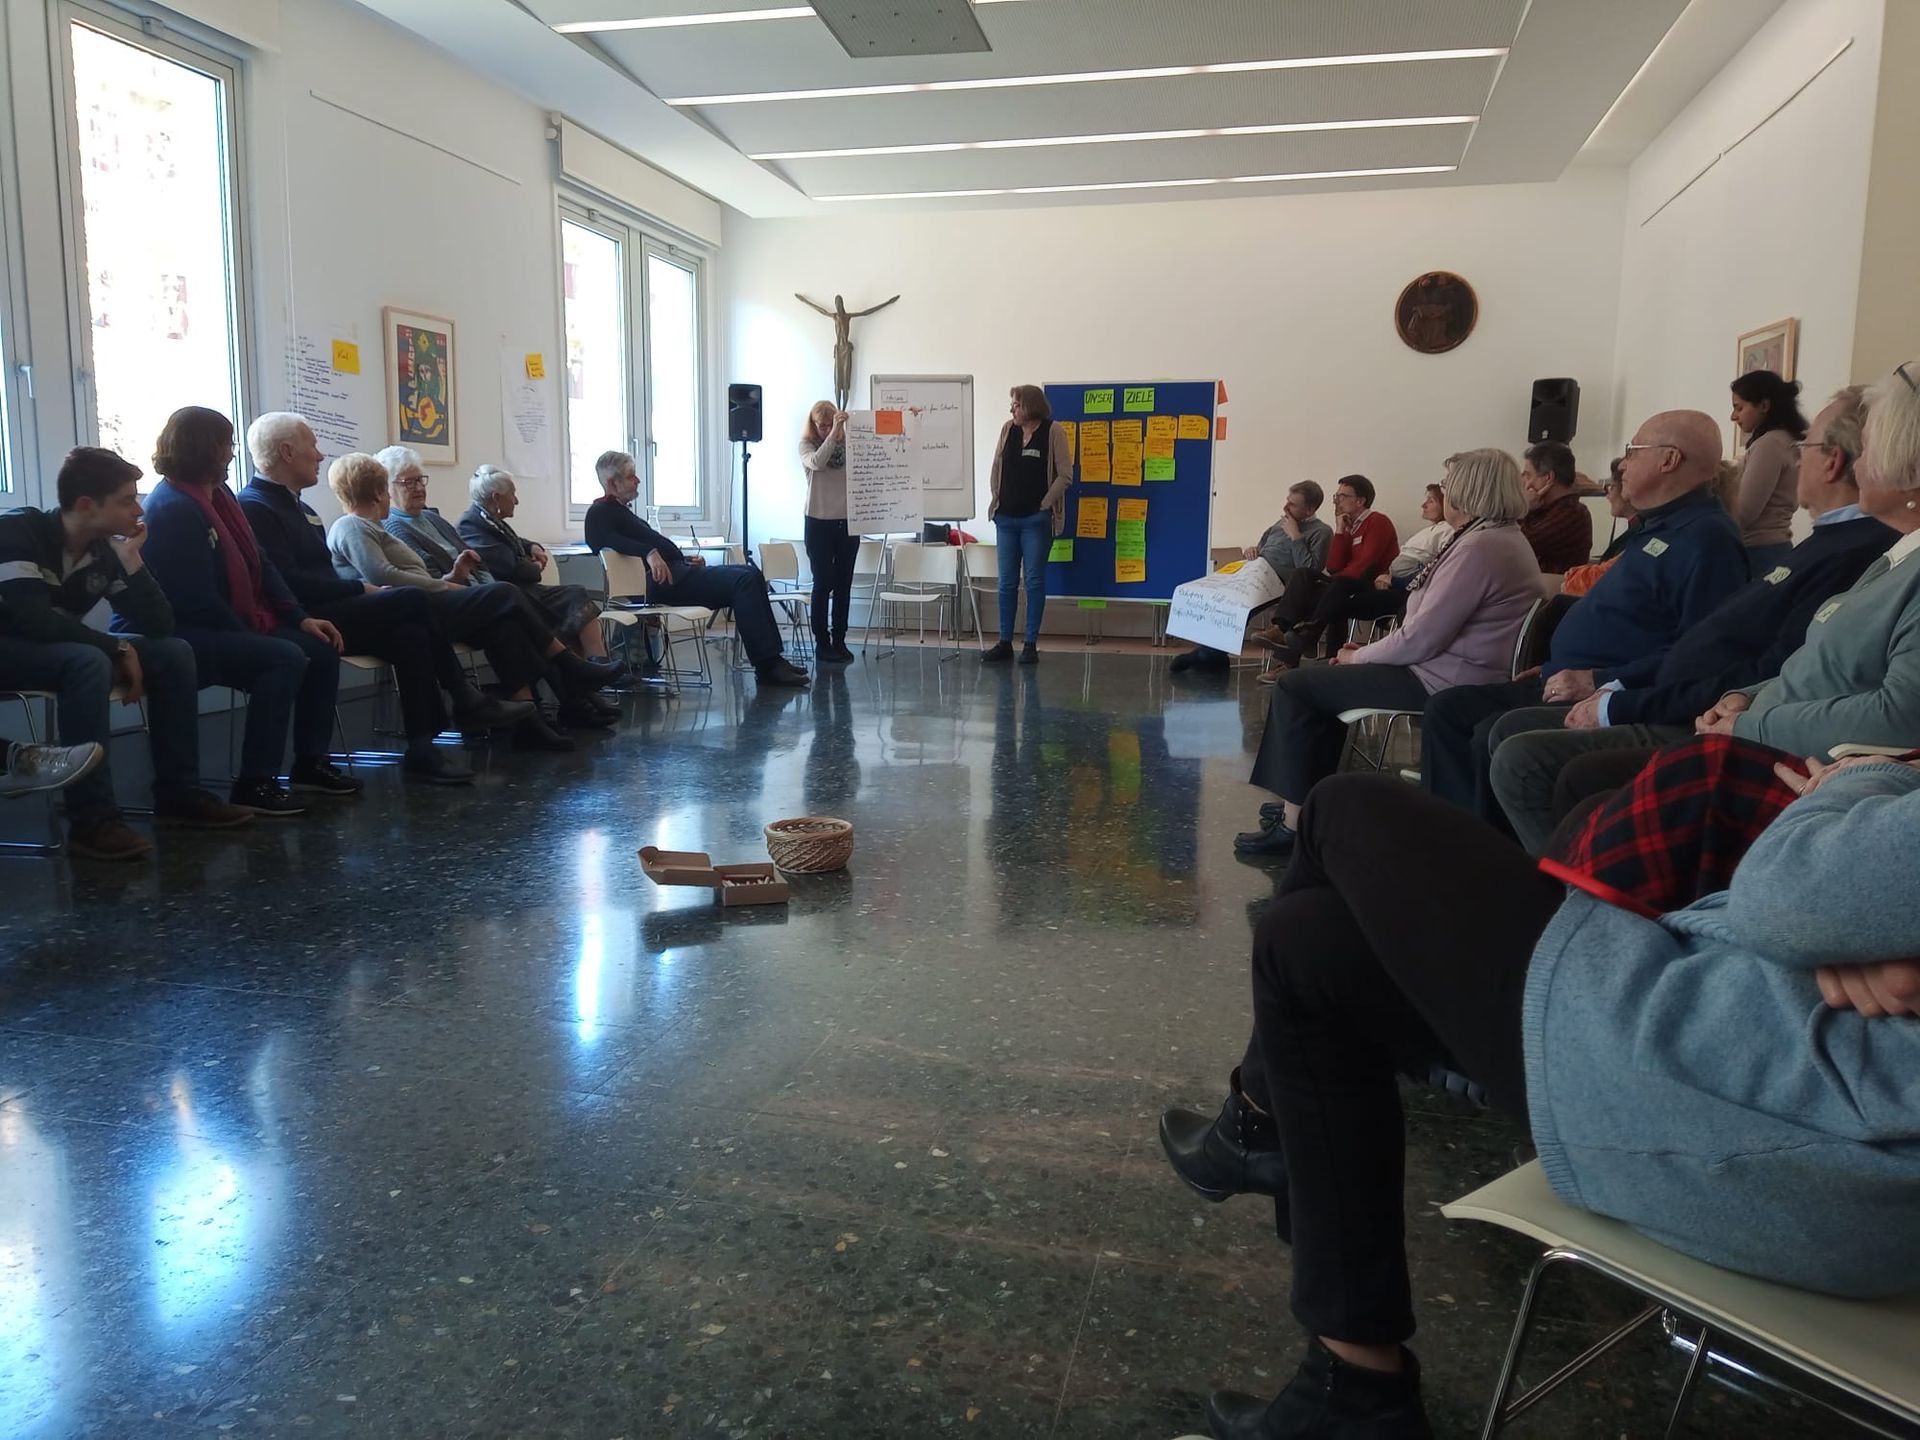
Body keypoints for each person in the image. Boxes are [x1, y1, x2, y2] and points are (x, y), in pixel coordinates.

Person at [1159, 760, 1920, 1440]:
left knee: (1342, 806)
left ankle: (1257, 1127)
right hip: (1793, 1108)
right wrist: (1847, 915)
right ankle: (1353, 1382)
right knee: (1306, 941)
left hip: (1737, 1108)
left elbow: (1788, 891)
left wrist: (1861, 779)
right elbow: (1818, 897)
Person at [1487, 385, 1897, 852]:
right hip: (1673, 695)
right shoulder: (1823, 543)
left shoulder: (1842, 550)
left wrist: (1616, 699)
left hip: (1701, 716)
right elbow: (1714, 647)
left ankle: (1545, 885)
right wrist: (1612, 684)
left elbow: (1776, 670)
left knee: (1525, 757)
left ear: (1834, 462)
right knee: (1504, 732)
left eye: (1803, 448)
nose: (1796, 459)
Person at [1420, 409, 1749, 827]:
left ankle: (1490, 848)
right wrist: (1558, 665)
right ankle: (1452, 833)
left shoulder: (1707, 540)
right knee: (1449, 709)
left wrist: (1599, 678)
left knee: (1492, 729)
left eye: (1632, 450)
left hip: (1612, 691)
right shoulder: (1658, 526)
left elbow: (1698, 654)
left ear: (1669, 459)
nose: (1623, 464)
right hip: (1566, 678)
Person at [1235, 450, 1540, 857]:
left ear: (1468, 491)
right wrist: (1370, 650)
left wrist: (1359, 657)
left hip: (1440, 680)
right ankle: (1306, 802)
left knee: (1296, 686)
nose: (1443, 492)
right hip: (1447, 669)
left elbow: (1420, 639)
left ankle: (1294, 825)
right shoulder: (1496, 538)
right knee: (1320, 683)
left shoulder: (1480, 548)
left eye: (1447, 485)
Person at [238, 413, 524, 785]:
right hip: (303, 615)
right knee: (413, 599)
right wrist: (360, 589)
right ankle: (463, 697)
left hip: (331, 606)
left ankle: (422, 747)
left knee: (411, 635)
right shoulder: (256, 506)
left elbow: (322, 575)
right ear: (287, 452)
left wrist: (358, 590)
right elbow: (289, 583)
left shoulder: (302, 508)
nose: (320, 455)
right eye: (313, 445)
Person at [0, 447, 251, 858]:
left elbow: (159, 625)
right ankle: (93, 821)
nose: (139, 509)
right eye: (127, 500)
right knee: (88, 659)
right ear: (87, 505)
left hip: (55, 650)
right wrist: (115, 646)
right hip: (8, 649)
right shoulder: (17, 531)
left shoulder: (104, 551)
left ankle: (179, 795)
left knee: (173, 652)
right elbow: (30, 620)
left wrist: (132, 562)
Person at [140, 406, 360, 817]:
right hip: (185, 629)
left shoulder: (220, 496)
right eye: (226, 444)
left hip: (228, 620)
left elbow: (261, 562)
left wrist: (299, 617)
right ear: (205, 448)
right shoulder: (173, 507)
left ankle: (310, 763)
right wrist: (252, 633)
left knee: (319, 646)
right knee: (283, 657)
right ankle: (255, 782)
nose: (232, 453)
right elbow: (193, 598)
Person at [1698, 361, 1920, 757]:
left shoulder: (1880, 557)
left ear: (1908, 465)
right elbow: (1820, 671)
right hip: (1755, 735)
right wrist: (1749, 696)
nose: (1856, 465)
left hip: (1785, 759)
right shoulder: (1895, 556)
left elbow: (1902, 717)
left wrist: (1750, 725)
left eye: (1867, 449)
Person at [324, 454, 598, 749]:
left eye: (420, 480)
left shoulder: (377, 526)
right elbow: (384, 574)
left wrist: (452, 578)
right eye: (407, 483)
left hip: (428, 601)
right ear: (382, 491)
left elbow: (418, 574)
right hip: (414, 608)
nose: (418, 488)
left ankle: (530, 721)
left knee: (505, 624)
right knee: (505, 594)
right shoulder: (354, 526)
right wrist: (446, 585)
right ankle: (567, 667)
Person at [584, 449, 810, 688]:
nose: (638, 480)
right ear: (612, 483)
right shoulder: (599, 511)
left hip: (676, 573)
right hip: (663, 581)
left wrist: (683, 559)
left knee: (750, 572)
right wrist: (649, 552)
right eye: (631, 476)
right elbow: (600, 540)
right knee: (743, 580)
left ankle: (772, 661)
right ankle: (768, 665)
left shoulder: (621, 512)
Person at [1169, 481, 1333, 674]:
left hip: (1279, 583)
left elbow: (1309, 569)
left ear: (1310, 509)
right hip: (1253, 570)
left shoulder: (1321, 531)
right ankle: (1212, 655)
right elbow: (1263, 548)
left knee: (1237, 604)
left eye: (1293, 504)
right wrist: (1252, 550)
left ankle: (1207, 656)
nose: (1285, 507)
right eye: (1287, 501)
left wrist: (1296, 537)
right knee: (1209, 593)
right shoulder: (1280, 524)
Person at [457, 464, 614, 661]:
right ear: (496, 498)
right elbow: (514, 568)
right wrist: (537, 566)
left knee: (576, 593)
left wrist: (533, 547)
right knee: (571, 603)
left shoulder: (490, 520)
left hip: (526, 591)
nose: (516, 500)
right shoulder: (470, 526)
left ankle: (597, 661)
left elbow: (516, 541)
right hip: (513, 598)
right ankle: (589, 666)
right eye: (512, 494)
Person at [1254, 475, 1399, 675]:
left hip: (1370, 584)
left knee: (1328, 589)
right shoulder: (1350, 526)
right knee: (1305, 578)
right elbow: (1333, 566)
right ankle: (1285, 630)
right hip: (1345, 585)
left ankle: (1299, 647)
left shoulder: (1378, 521)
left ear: (1360, 501)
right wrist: (1340, 531)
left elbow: (1366, 565)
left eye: (1342, 496)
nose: (1336, 501)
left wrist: (1334, 581)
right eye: (1336, 496)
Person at [982, 384, 1073, 665]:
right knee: (1006, 583)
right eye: (1012, 405)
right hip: (1005, 519)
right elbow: (997, 466)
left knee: (1033, 580)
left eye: (1017, 405)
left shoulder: (1053, 431)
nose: (1012, 409)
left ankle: (1030, 644)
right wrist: (996, 497)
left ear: (1030, 406)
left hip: (1035, 520)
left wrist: (1045, 504)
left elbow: (1065, 475)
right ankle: (1005, 642)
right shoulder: (1007, 430)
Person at [1729, 369, 1808, 572]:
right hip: (1771, 548)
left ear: (1764, 406)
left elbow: (1744, 512)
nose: (1733, 416)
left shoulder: (1770, 444)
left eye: (1739, 408)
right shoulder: (1784, 440)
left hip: (1760, 552)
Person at [799, 400, 859, 664]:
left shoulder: (850, 445)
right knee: (823, 582)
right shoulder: (807, 446)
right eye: (820, 425)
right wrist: (834, 434)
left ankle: (839, 640)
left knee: (844, 583)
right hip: (818, 522)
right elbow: (818, 462)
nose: (825, 429)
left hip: (847, 522)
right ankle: (822, 643)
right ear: (813, 425)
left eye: (829, 424)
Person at [1559, 459, 1635, 596]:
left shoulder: (1639, 534)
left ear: (1627, 487)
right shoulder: (1636, 529)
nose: (1608, 496)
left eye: (1611, 487)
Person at [1516, 441, 1593, 574]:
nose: (1524, 483)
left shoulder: (1573, 513)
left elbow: (1517, 544)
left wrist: (1523, 507)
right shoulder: (1542, 508)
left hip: (1552, 587)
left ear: (1548, 478)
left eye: (1528, 475)